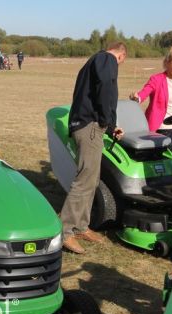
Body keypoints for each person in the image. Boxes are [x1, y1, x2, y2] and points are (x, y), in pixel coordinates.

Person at [60, 42, 127, 254]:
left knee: (91, 179)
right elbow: (106, 89)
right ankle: (65, 231)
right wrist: (108, 121)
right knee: (84, 179)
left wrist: (111, 127)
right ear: (121, 56)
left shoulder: (94, 62)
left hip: (88, 125)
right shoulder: (106, 59)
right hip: (90, 127)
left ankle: (81, 226)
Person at [129, 45, 172, 139]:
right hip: (162, 127)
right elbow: (145, 92)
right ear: (167, 63)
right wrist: (137, 98)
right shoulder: (156, 79)